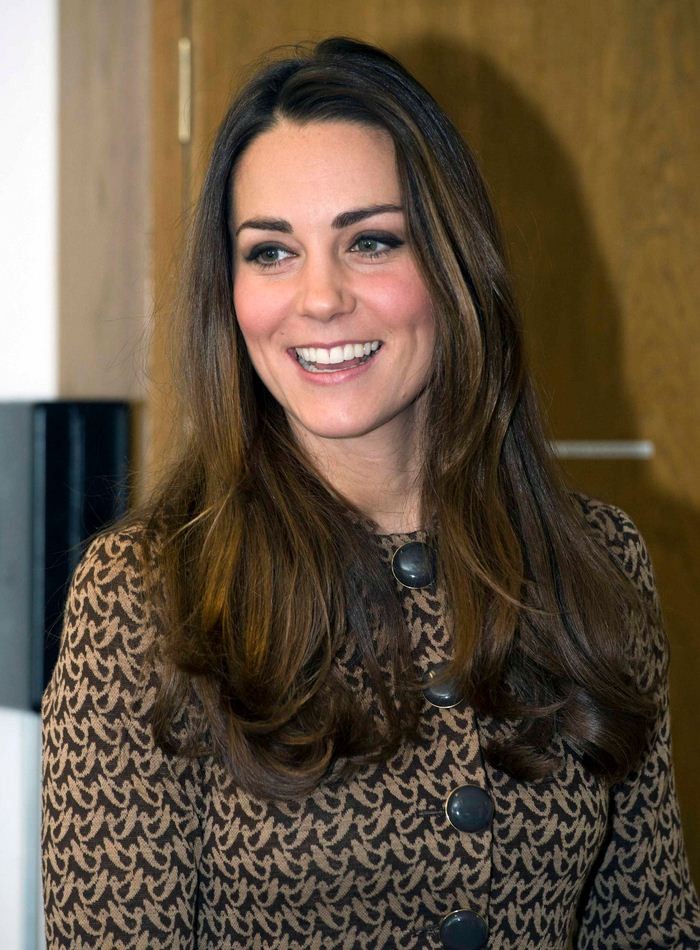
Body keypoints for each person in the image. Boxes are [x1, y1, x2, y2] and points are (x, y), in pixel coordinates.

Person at [41, 36, 700, 949]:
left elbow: (650, 926)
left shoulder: (596, 562)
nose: (319, 298)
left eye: (371, 241)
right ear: (229, 290)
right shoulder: (144, 594)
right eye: (271, 251)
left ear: (454, 264)